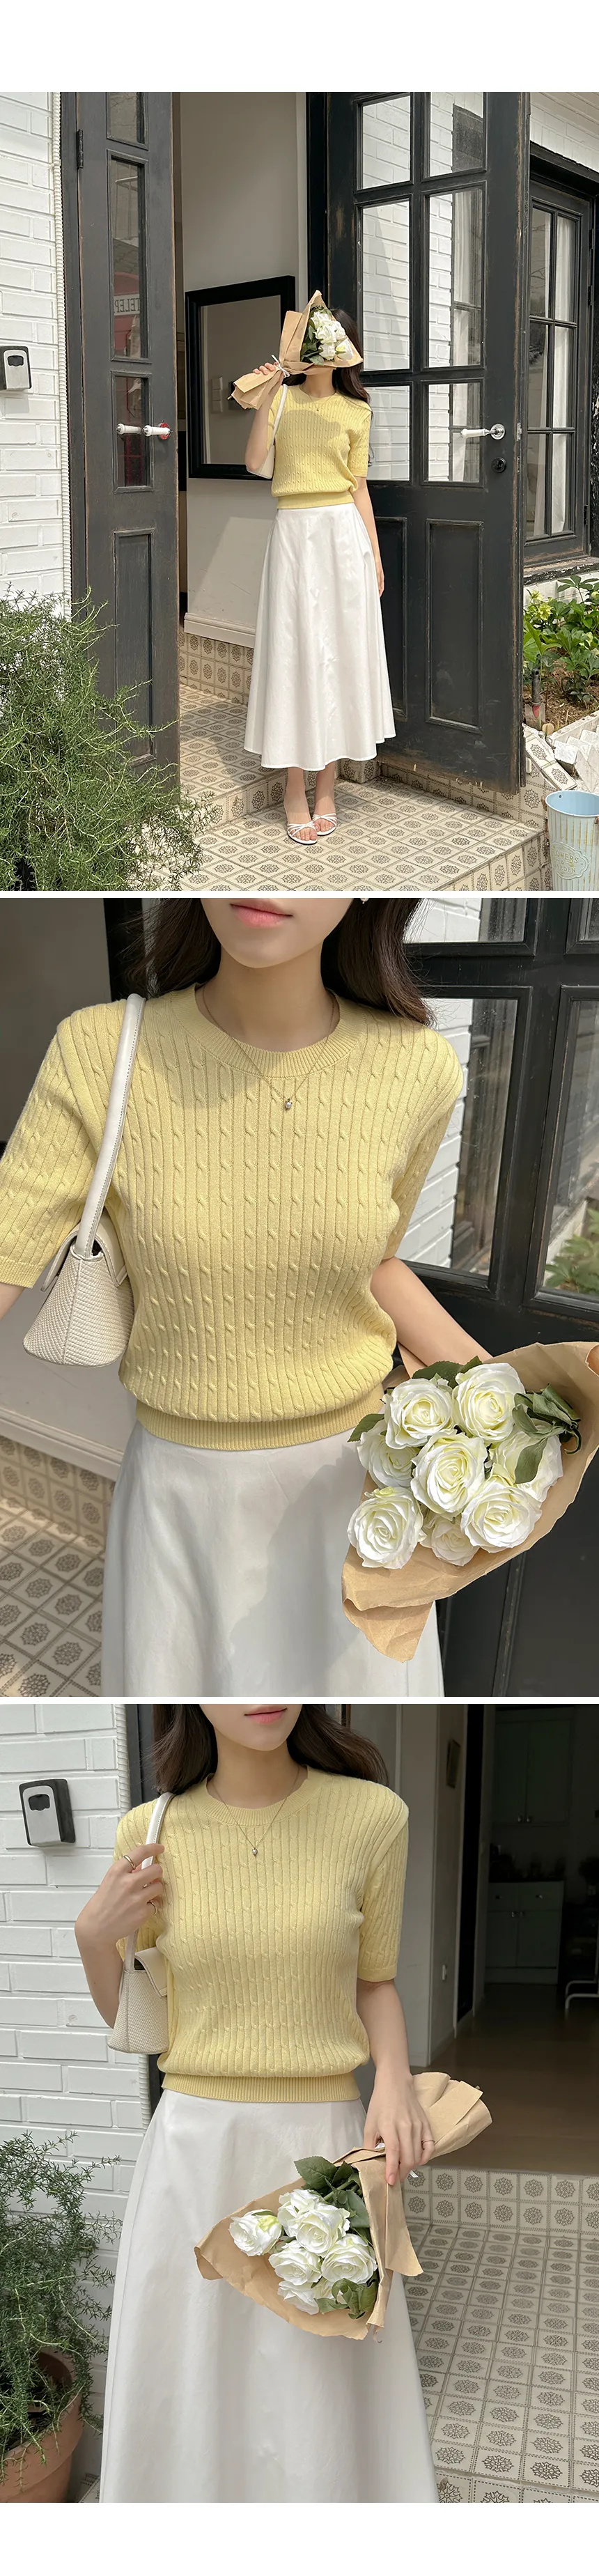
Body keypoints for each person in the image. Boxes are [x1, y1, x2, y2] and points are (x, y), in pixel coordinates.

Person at [0, 895, 485, 1697]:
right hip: (183, 1499)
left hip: (356, 1491)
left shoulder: (417, 1067)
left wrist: (513, 1401)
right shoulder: (100, 1052)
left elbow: (373, 1261)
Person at [75, 1699, 439, 2505]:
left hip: (320, 2145)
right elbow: (138, 2017)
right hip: (194, 2150)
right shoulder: (149, 1830)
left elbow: (373, 1980)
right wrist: (92, 1937)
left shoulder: (371, 1814)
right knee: (196, 2377)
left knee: (317, 2384)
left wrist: (393, 2078)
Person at [243, 310, 394, 844]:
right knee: (296, 656)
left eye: (328, 342)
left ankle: (327, 789)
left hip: (343, 537)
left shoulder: (357, 410)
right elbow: (255, 462)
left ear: (344, 350)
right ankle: (294, 788)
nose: (319, 351)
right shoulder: (282, 399)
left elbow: (358, 487)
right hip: (294, 534)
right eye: (309, 342)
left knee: (338, 659)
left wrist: (375, 555)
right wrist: (269, 391)